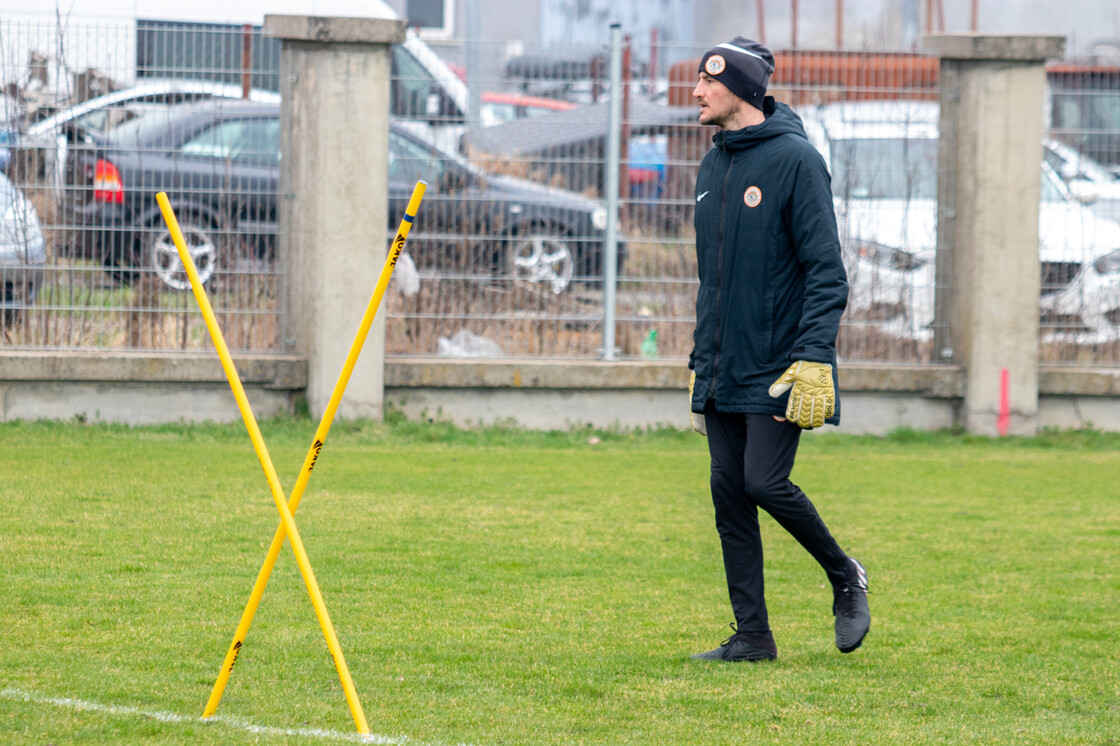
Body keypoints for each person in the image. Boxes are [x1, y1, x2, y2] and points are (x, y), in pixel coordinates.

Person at [687, 37, 870, 662]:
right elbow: (712, 279)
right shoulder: (713, 164)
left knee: (764, 482)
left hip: (781, 363)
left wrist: (815, 354)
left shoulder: (797, 160)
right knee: (728, 496)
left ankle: (846, 574)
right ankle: (753, 636)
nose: (697, 93)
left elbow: (827, 272)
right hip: (721, 366)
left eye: (707, 83)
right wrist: (700, 366)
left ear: (737, 87)